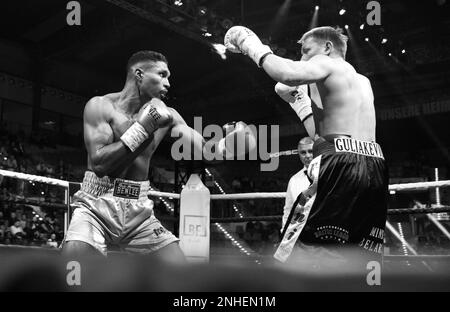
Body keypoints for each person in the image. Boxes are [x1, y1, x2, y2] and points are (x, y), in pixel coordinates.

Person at [61, 51, 256, 261]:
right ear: (139, 74)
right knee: (75, 267)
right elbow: (100, 165)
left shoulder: (169, 116)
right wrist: (143, 129)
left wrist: (229, 145)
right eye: (162, 75)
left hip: (139, 211)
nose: (168, 83)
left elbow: (208, 152)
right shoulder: (101, 106)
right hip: (96, 204)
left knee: (177, 271)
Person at [225, 26, 388, 267]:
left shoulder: (329, 64)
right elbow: (321, 135)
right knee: (359, 254)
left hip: (339, 164)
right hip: (374, 167)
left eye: (306, 51)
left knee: (304, 251)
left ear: (328, 48)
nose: (302, 58)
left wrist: (251, 45)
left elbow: (287, 74)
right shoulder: (362, 81)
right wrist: (301, 102)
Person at [281, 137, 314, 231]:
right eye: (303, 152)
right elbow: (288, 209)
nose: (307, 156)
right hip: (302, 231)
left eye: (311, 151)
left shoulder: (328, 173)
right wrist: (284, 231)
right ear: (299, 154)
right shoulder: (294, 180)